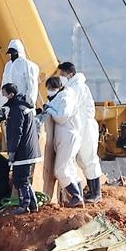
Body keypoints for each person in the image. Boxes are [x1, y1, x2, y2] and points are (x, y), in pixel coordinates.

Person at [57, 62, 104, 202]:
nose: (61, 77)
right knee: (82, 160)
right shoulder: (72, 87)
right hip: (80, 125)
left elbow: (69, 108)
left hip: (86, 126)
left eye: (62, 75)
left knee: (89, 158)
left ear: (70, 74)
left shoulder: (77, 87)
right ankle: (91, 190)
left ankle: (96, 192)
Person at [42, 75, 85, 207]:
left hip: (68, 136)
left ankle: (76, 196)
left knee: (60, 169)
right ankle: (78, 197)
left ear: (59, 87)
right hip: (65, 137)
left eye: (51, 87)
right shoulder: (59, 98)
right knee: (70, 168)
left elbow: (62, 117)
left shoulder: (66, 98)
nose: (49, 90)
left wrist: (49, 109)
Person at [2, 83, 42, 214]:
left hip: (23, 152)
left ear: (11, 94)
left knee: (20, 179)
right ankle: (32, 204)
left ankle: (24, 206)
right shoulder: (24, 106)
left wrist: (12, 152)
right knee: (23, 178)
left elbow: (15, 132)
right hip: (29, 150)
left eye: (4, 93)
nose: (3, 96)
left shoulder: (16, 110)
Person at [0, 39, 40, 110]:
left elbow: (32, 85)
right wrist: (2, 104)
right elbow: (4, 84)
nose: (11, 55)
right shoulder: (8, 66)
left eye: (13, 53)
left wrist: (28, 102)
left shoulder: (27, 64)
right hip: (11, 106)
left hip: (23, 105)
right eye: (10, 53)